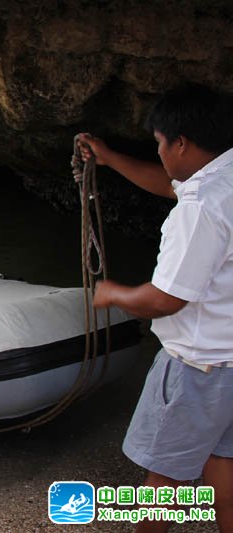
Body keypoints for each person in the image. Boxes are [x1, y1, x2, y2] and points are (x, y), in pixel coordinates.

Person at [77, 83, 233, 533]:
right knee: (223, 461)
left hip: (197, 368)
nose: (160, 152)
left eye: (160, 143)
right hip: (229, 363)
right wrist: (108, 158)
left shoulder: (201, 208)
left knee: (164, 480)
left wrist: (114, 293)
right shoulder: (223, 177)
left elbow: (166, 299)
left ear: (181, 142)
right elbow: (173, 185)